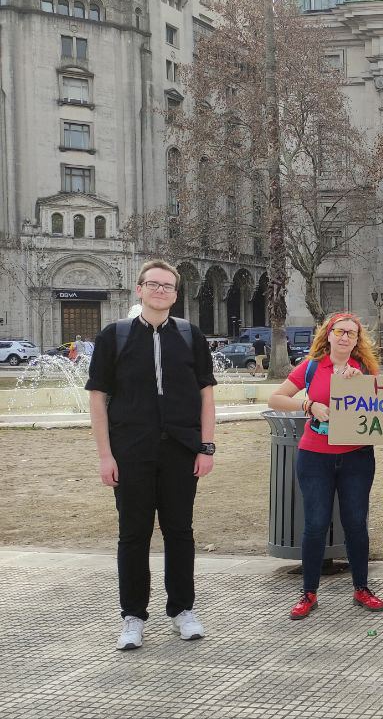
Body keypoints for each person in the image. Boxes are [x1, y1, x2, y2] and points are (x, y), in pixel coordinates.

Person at [86, 259, 217, 650]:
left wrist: (206, 446)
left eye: (168, 286)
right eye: (153, 284)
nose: (161, 291)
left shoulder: (191, 336)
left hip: (180, 450)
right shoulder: (115, 336)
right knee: (133, 535)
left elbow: (206, 395)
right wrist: (105, 456)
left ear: (176, 295)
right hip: (131, 453)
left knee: (180, 532)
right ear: (139, 289)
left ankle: (182, 610)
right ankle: (132, 617)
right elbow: (97, 399)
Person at [267, 313, 383, 619]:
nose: (345, 337)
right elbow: (276, 399)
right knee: (316, 524)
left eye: (352, 333)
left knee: (356, 523)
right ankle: (308, 592)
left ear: (358, 341)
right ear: (328, 335)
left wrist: (364, 385)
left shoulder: (366, 369)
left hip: (357, 457)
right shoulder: (311, 367)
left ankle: (362, 588)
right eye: (340, 331)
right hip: (315, 455)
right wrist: (308, 405)